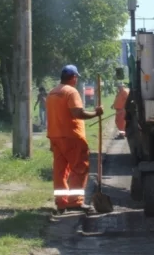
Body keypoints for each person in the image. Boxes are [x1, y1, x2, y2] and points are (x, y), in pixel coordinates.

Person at [45, 64, 103, 214]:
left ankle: (61, 203)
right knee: (79, 168)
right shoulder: (71, 92)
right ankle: (75, 202)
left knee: (60, 171)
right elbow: (78, 113)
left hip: (55, 136)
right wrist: (96, 113)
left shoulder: (52, 92)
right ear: (74, 77)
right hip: (72, 137)